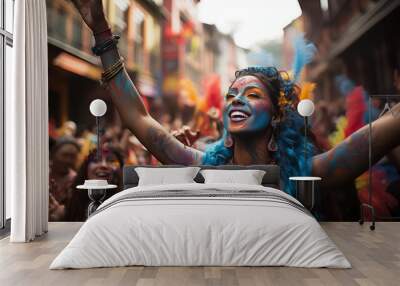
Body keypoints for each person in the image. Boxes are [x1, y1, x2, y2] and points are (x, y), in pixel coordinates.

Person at [71, 0, 400, 199]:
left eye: (252, 94)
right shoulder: (203, 166)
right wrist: (101, 31)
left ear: (275, 116)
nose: (236, 100)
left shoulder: (307, 173)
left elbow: (382, 129)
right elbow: (138, 118)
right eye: (232, 95)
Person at [66, 143, 124, 221]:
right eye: (96, 160)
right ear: (85, 168)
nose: (103, 165)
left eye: (111, 161)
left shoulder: (125, 204)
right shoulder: (72, 200)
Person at [49, 137, 81, 221]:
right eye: (65, 155)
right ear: (52, 154)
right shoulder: (42, 174)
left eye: (72, 156)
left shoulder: (76, 180)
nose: (68, 160)